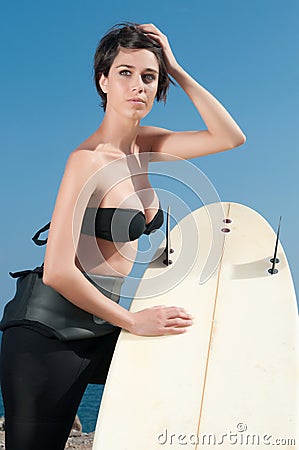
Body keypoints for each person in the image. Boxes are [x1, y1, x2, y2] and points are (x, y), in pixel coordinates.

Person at [0, 22, 246, 450]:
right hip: (48, 333)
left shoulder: (145, 146)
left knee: (180, 382)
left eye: (149, 77)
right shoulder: (87, 160)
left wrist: (177, 67)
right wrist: (133, 321)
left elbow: (229, 136)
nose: (138, 86)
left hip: (103, 324)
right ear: (103, 81)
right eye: (125, 73)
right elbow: (58, 271)